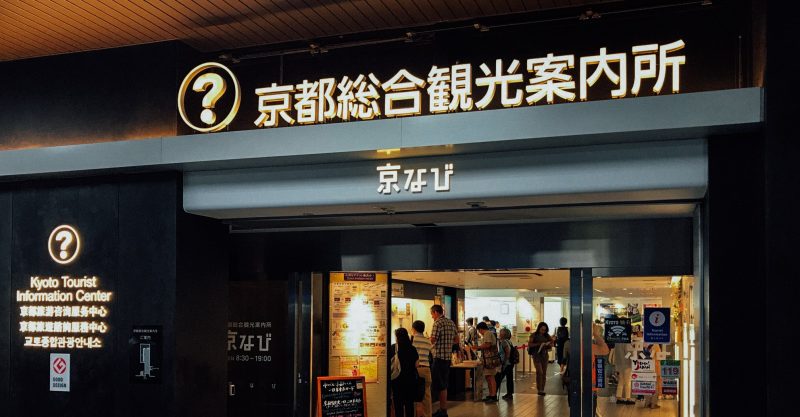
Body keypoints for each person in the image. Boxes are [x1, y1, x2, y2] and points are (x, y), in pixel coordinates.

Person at [430, 304, 458, 417]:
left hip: (438, 357)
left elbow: (433, 339)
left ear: (436, 312)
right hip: (447, 358)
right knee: (444, 385)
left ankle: (441, 411)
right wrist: (448, 343)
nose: (432, 316)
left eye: (432, 314)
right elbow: (457, 340)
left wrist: (427, 340)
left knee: (437, 385)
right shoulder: (451, 322)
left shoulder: (437, 323)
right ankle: (443, 409)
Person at [391, 327, 420, 417]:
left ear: (397, 337)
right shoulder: (412, 348)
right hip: (410, 380)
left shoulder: (393, 348)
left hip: (397, 380)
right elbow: (417, 364)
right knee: (409, 404)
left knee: (398, 405)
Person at [411, 320, 433, 417]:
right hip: (426, 369)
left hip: (416, 370)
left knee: (414, 394)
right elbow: (432, 354)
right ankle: (428, 415)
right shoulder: (428, 341)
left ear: (414, 329)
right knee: (427, 395)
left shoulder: (412, 340)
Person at [475, 322, 500, 403]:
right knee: (488, 377)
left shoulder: (487, 333)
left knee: (490, 377)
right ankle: (491, 394)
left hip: (490, 359)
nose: (479, 332)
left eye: (479, 330)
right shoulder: (488, 333)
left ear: (480, 329)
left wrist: (478, 347)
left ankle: (493, 395)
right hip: (488, 359)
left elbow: (488, 345)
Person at [527, 322, 553, 395]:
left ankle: (542, 389)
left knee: (544, 373)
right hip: (536, 355)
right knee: (539, 372)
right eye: (542, 329)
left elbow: (552, 342)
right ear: (539, 328)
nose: (543, 331)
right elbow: (529, 344)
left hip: (545, 355)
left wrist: (548, 344)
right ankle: (539, 389)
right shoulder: (534, 335)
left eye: (545, 330)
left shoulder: (547, 335)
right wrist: (538, 344)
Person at [610, 340, 634, 404]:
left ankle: (619, 398)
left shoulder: (617, 343)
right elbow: (629, 353)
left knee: (621, 382)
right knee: (628, 382)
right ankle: (628, 399)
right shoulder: (627, 343)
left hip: (619, 365)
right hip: (627, 365)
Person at [494, 327, 514, 399]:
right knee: (509, 378)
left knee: (497, 378)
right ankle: (509, 394)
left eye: (500, 333)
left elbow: (507, 352)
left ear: (503, 334)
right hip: (510, 363)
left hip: (506, 363)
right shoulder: (509, 341)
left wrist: (504, 362)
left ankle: (493, 394)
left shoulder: (504, 342)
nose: (499, 334)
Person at [642, 343, 662, 409]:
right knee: (655, 386)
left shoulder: (645, 344)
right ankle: (653, 403)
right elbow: (657, 357)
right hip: (655, 368)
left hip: (646, 367)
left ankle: (647, 403)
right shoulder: (656, 345)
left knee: (648, 385)